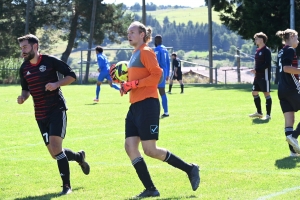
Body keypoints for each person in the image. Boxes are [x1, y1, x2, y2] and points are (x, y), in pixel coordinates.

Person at [110, 21, 200, 198]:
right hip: (135, 106)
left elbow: (157, 75)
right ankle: (151, 189)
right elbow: (136, 79)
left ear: (142, 35)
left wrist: (134, 83)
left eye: (133, 32)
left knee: (150, 149)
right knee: (130, 147)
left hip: (147, 104)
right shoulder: (135, 53)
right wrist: (125, 85)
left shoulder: (146, 51)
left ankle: (190, 169)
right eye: (128, 32)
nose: (129, 35)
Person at [17, 34, 90, 195]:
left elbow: (72, 75)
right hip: (40, 114)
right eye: (21, 47)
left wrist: (56, 83)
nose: (22, 50)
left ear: (35, 46)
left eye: (25, 47)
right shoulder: (24, 68)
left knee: (56, 148)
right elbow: (26, 88)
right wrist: (23, 97)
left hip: (56, 109)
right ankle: (79, 157)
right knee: (54, 153)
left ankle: (66, 187)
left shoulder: (50, 61)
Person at [275, 29, 300, 157]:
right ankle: (294, 136)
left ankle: (293, 151)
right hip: (292, 88)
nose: (298, 41)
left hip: (282, 89)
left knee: (289, 120)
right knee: (290, 121)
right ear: (291, 36)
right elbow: (286, 68)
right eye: (296, 38)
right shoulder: (290, 50)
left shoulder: (281, 51)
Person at [248, 32, 272, 120]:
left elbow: (267, 64)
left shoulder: (266, 50)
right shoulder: (257, 50)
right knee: (254, 92)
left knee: (266, 94)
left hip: (264, 76)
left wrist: (257, 70)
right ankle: (259, 112)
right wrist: (255, 70)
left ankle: (268, 115)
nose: (255, 40)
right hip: (257, 76)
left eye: (256, 39)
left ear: (262, 39)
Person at [154, 35, 170, 118]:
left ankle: (155, 111)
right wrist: (167, 74)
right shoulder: (165, 49)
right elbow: (168, 62)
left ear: (156, 41)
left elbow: (155, 62)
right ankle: (166, 111)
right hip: (164, 73)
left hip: (158, 73)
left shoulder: (157, 49)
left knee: (153, 92)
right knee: (162, 92)